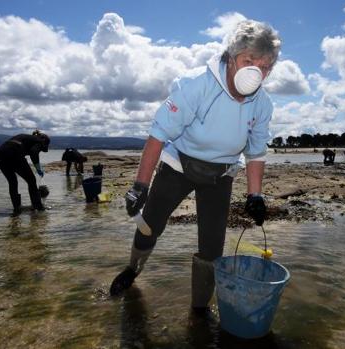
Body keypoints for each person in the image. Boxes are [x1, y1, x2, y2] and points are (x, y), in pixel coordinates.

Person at [108, 20, 281, 312]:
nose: (256, 72)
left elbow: (256, 151)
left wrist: (255, 195)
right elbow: (158, 134)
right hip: (178, 165)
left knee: (213, 247)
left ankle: (199, 312)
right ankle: (133, 269)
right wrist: (140, 185)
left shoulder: (262, 104)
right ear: (230, 58)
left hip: (220, 174)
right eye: (249, 61)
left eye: (264, 67)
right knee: (150, 225)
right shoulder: (196, 85)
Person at [0, 130, 50, 214]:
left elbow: (29, 151)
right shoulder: (39, 141)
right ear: (44, 141)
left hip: (0, 154)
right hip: (14, 152)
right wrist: (38, 168)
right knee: (31, 180)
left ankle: (17, 208)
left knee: (12, 182)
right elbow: (33, 152)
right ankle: (38, 207)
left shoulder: (26, 138)